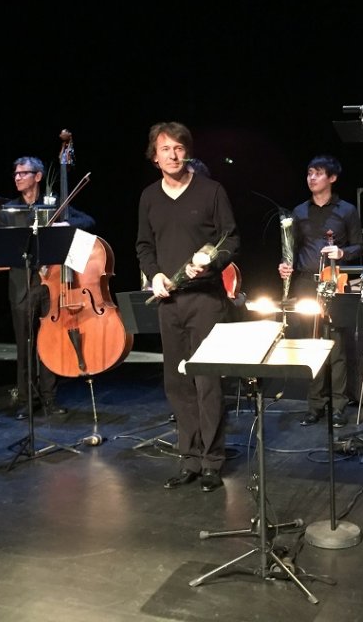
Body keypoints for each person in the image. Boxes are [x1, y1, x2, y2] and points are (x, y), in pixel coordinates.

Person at [136, 121, 239, 493]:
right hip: (169, 301)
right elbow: (144, 246)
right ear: (155, 155)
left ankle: (212, 461)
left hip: (206, 301)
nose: (172, 155)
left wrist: (212, 261)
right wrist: (155, 275)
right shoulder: (149, 196)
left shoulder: (211, 191)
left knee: (207, 381)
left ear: (187, 151)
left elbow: (232, 238)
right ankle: (189, 458)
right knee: (176, 382)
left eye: (178, 148)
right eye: (165, 149)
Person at [0, 156, 96, 419]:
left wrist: (66, 224)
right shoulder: (8, 210)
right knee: (24, 345)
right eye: (15, 174)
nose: (18, 177)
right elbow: (6, 247)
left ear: (38, 177)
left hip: (50, 286)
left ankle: (50, 399)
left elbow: (88, 221)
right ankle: (27, 402)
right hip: (22, 285)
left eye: (23, 173)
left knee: (49, 343)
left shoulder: (53, 205)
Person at [277, 154, 362, 428]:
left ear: (332, 178)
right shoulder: (299, 212)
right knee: (311, 343)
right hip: (305, 283)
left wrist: (341, 251)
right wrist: (285, 266)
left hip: (334, 280)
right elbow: (292, 249)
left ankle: (339, 405)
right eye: (309, 173)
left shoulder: (346, 210)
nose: (312, 178)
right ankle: (315, 404)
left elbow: (358, 247)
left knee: (336, 344)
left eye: (318, 173)